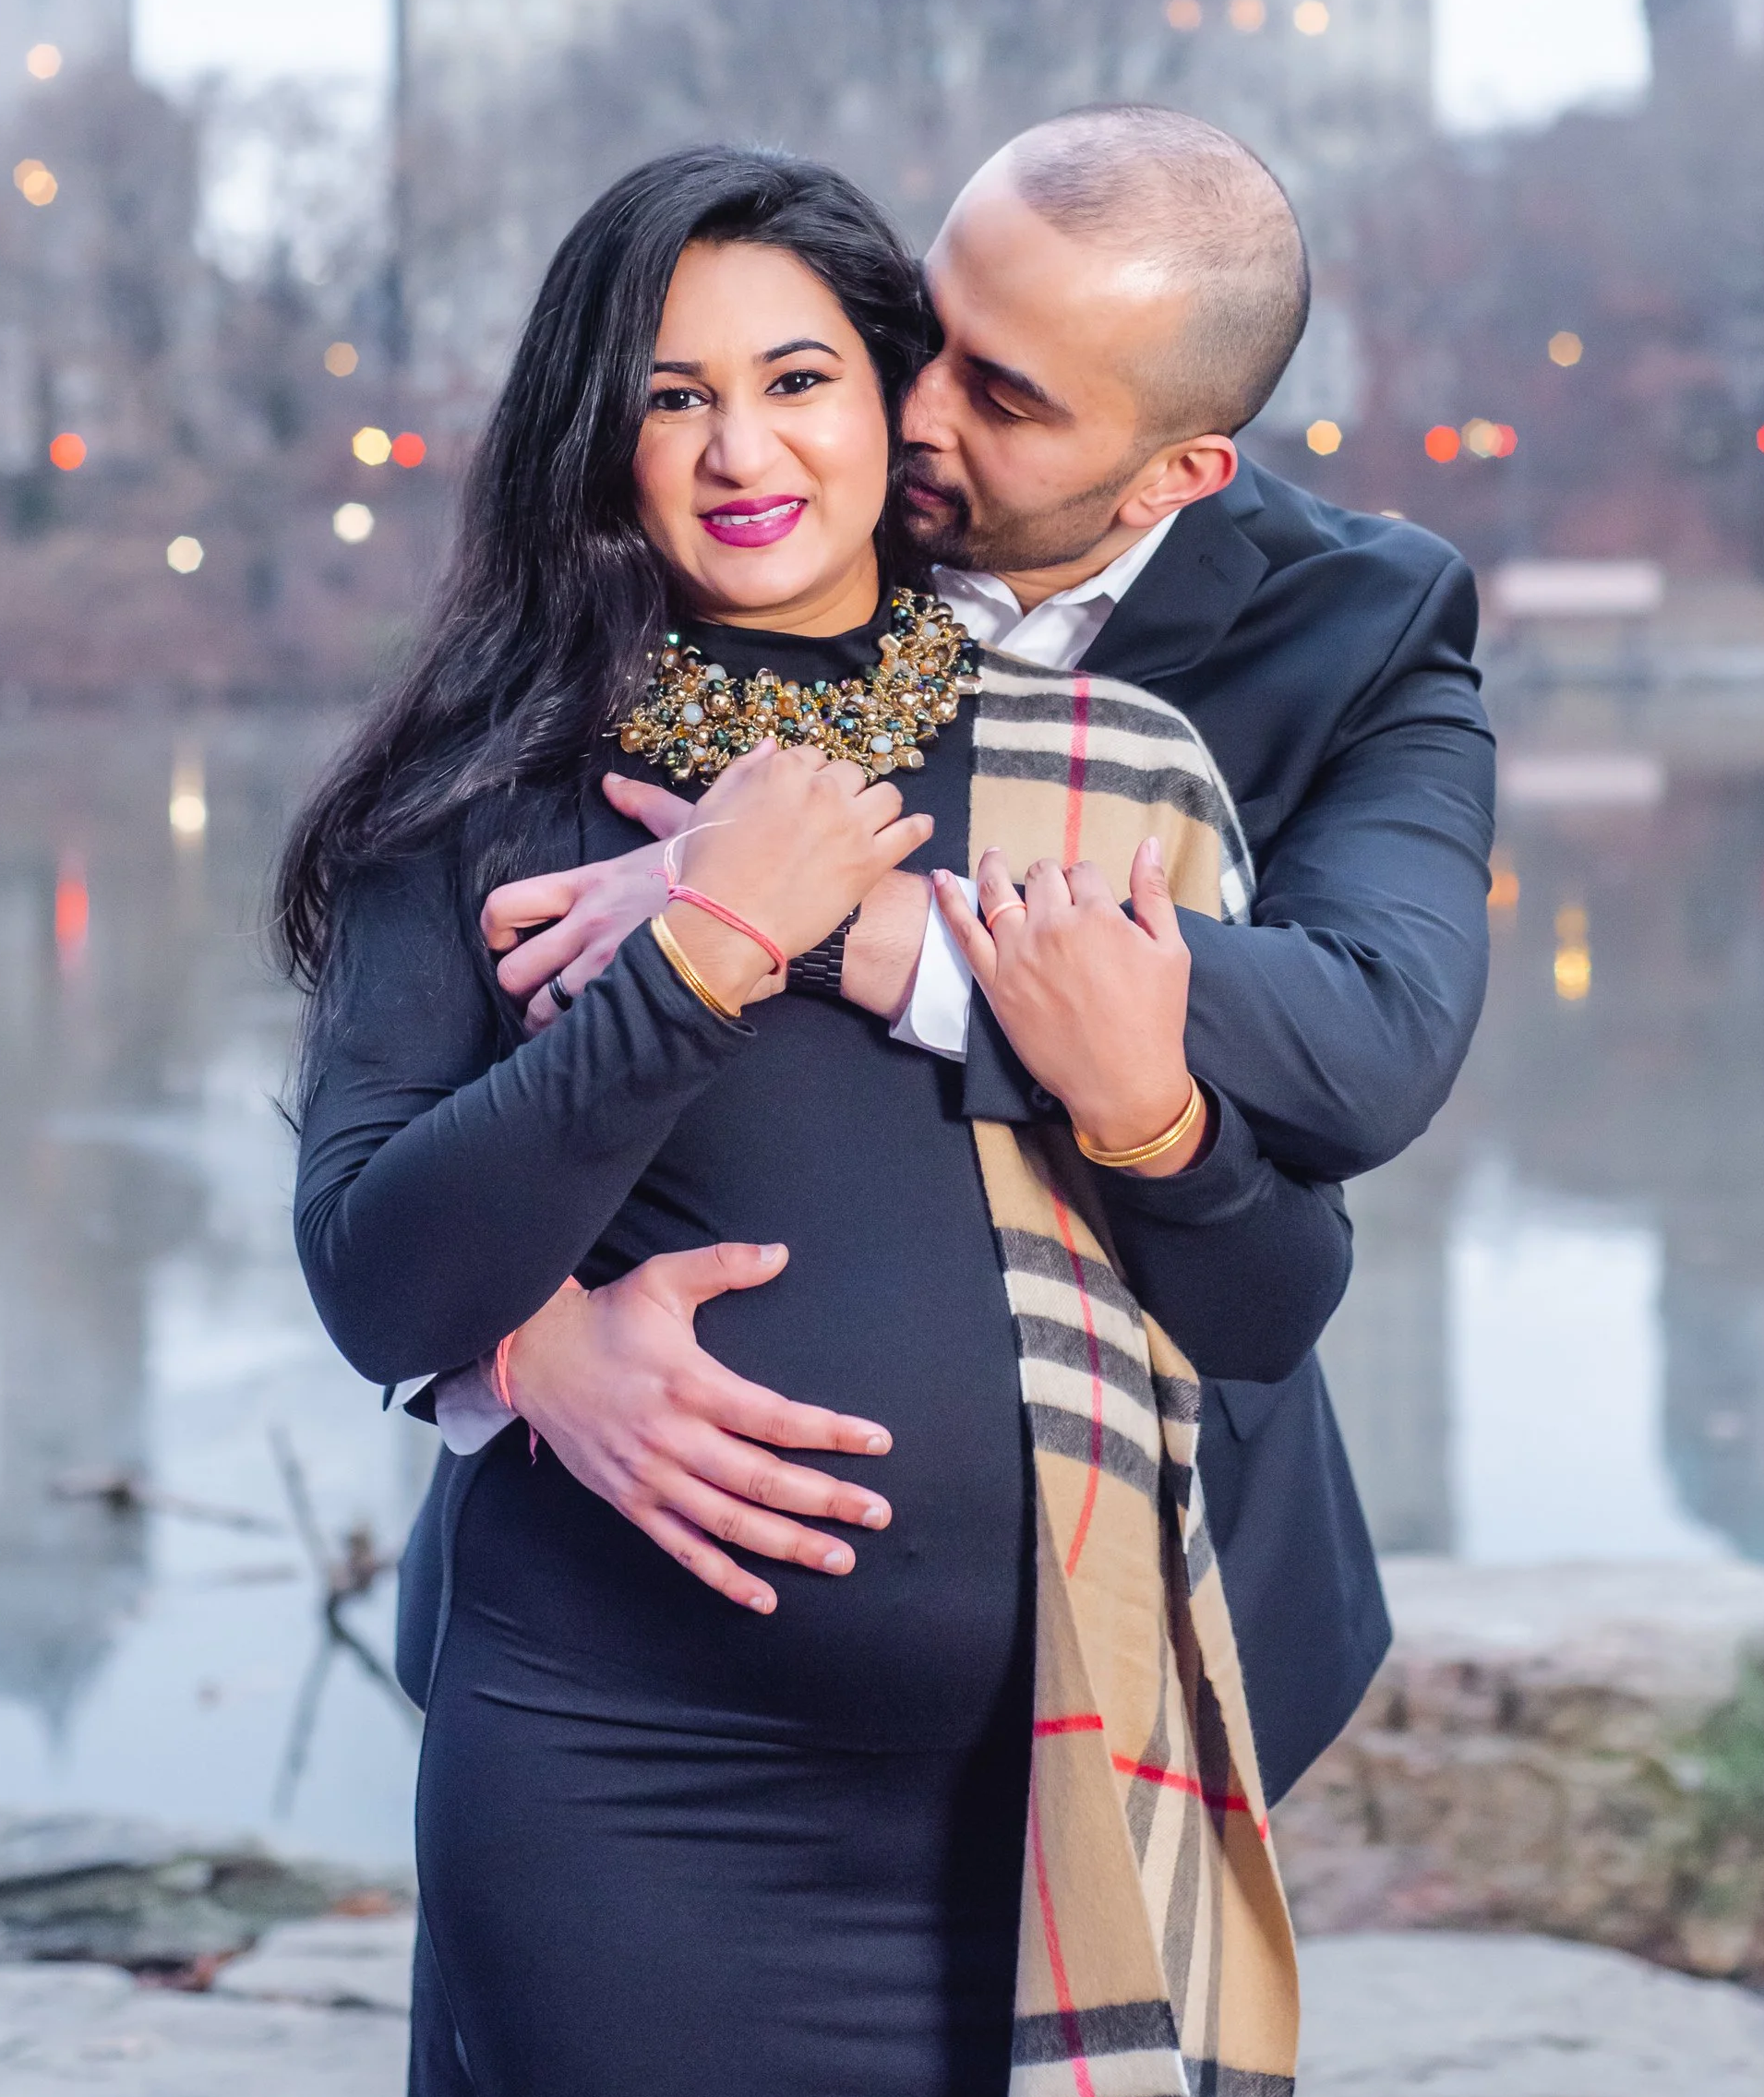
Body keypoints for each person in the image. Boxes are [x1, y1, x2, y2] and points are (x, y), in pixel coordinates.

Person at [284, 146, 1341, 2097]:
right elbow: (377, 1271)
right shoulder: (497, 785)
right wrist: (698, 957)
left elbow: (1266, 1301)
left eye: (795, 378)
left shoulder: (1104, 771)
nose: (743, 449)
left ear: (893, 403)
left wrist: (1144, 1105)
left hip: (1038, 1779)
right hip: (638, 1785)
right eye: (671, 399)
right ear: (599, 434)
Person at [421, 105, 1495, 1795]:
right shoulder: (761, 481)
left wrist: (834, 920)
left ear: (1177, 472)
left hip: (1163, 1579)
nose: (912, 408)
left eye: (1005, 398)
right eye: (934, 326)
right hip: (623, 1653)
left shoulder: (1356, 627)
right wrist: (510, 1341)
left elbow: (1364, 1042)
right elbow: (423, 1020)